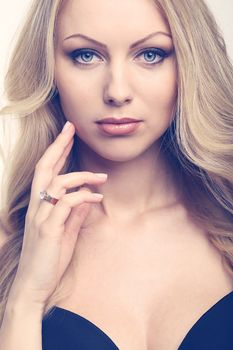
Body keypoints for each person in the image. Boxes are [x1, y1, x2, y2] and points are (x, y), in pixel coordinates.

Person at [0, 0, 233, 349]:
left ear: (190, 62)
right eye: (86, 56)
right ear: (48, 71)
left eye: (151, 54)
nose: (117, 92)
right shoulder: (9, 246)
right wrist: (25, 301)